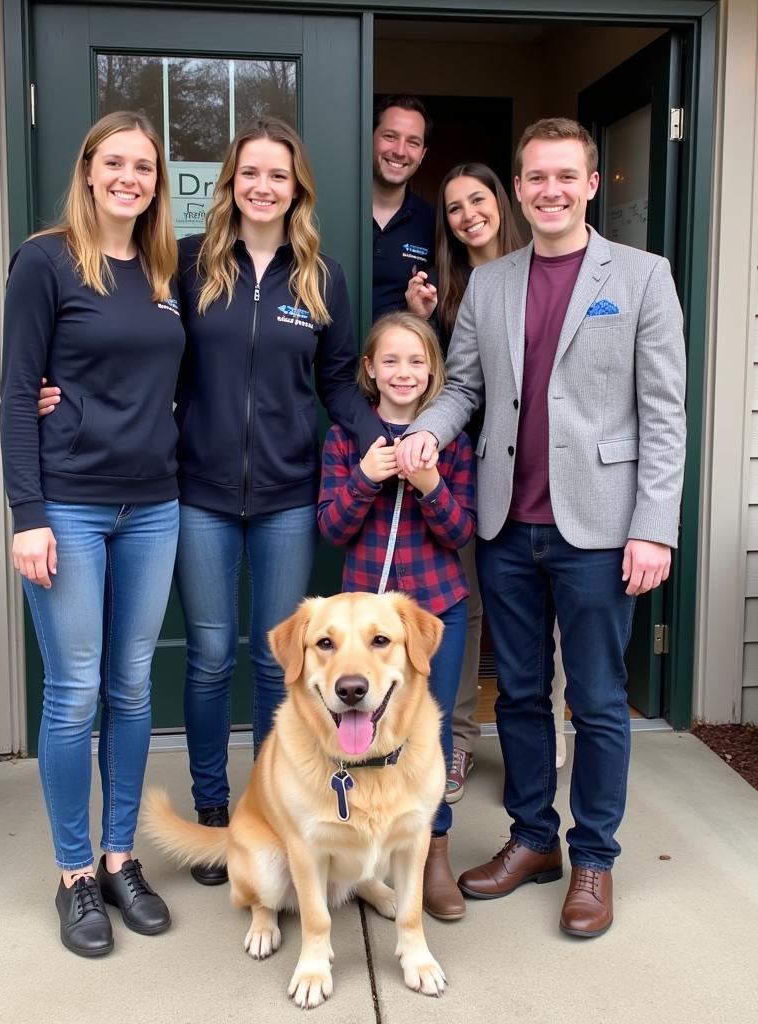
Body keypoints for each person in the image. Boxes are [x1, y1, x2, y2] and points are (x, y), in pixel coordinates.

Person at [396, 117, 687, 938]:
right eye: (537, 177)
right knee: (518, 693)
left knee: (595, 700)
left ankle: (593, 857)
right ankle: (533, 840)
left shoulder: (641, 275)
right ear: (519, 189)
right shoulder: (491, 285)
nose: (551, 190)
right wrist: (430, 429)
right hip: (505, 526)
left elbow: (665, 415)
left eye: (567, 176)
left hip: (600, 527)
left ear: (591, 183)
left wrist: (654, 528)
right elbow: (463, 390)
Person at [173, 118, 379, 884]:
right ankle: (212, 809)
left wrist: (377, 435)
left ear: (298, 190)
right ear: (232, 181)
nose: (264, 187)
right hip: (200, 492)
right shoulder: (190, 264)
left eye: (279, 176)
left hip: (292, 494)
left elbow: (334, 383)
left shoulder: (321, 277)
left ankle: (277, 805)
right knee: (209, 657)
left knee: (277, 663)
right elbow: (147, 358)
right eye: (251, 172)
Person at [0, 111, 183, 956]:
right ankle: (75, 876)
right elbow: (14, 394)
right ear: (87, 169)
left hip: (154, 505)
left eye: (143, 166)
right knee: (74, 693)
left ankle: (120, 858)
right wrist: (27, 514)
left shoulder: (161, 267)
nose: (129, 178)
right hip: (69, 505)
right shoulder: (44, 261)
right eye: (115, 162)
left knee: (133, 689)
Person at [317, 310, 475, 921]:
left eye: (416, 361)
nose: (403, 372)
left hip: (437, 610)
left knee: (426, 736)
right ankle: (356, 850)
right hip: (367, 623)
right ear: (369, 371)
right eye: (390, 361)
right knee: (364, 733)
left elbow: (463, 528)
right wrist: (363, 479)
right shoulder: (344, 439)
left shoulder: (451, 439)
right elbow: (330, 528)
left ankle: (432, 855)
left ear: (433, 370)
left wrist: (432, 483)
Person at [405, 163, 523, 803]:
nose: (469, 214)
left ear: (502, 201)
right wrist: (420, 317)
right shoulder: (451, 286)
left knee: (533, 611)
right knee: (468, 607)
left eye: (479, 199)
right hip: (457, 465)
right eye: (454, 207)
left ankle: (541, 736)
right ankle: (458, 741)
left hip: (525, 467)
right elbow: (436, 377)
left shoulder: (536, 268)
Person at [372, 95, 437, 320]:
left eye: (413, 142)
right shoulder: (333, 209)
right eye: (390, 136)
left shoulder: (433, 223)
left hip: (395, 354)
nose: (400, 151)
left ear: (422, 155)